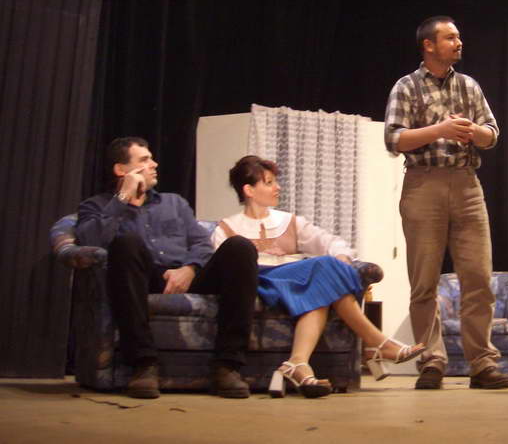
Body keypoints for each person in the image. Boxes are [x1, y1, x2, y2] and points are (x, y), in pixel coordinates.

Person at [212, 155, 425, 398]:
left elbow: (330, 242)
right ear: (249, 190)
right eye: (269, 183)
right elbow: (223, 273)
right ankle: (376, 343)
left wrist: (342, 258)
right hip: (259, 283)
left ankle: (298, 362)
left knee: (324, 279)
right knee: (324, 269)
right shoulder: (226, 228)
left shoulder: (289, 222)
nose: (277, 187)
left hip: (292, 281)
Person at [383, 15, 508, 390]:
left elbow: (492, 133)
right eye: (450, 38)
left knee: (478, 278)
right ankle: (432, 361)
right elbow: (394, 139)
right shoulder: (407, 86)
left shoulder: (468, 85)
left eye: (458, 37)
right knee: (424, 281)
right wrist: (440, 130)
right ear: (429, 45)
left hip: (467, 184)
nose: (458, 43)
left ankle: (482, 363)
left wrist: (475, 132)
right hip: (424, 184)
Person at [76, 137, 259, 399]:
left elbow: (201, 244)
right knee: (126, 244)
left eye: (152, 158)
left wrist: (190, 268)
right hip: (142, 278)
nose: (154, 164)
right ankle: (143, 365)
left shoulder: (174, 203)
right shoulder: (96, 206)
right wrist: (122, 198)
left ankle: (227, 366)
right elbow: (91, 243)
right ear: (121, 170)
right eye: (144, 160)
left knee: (240, 247)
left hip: (187, 275)